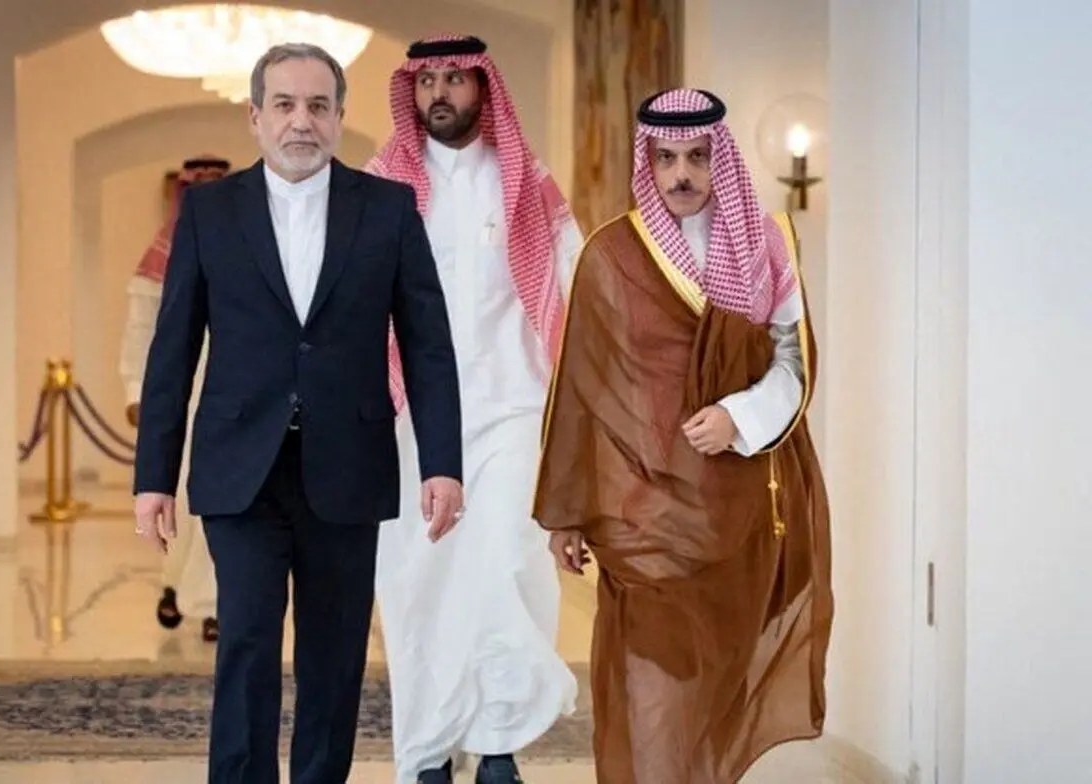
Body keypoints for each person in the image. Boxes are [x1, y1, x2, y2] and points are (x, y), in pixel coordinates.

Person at [131, 43, 465, 784]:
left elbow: (428, 346)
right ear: (255, 117)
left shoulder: (388, 209)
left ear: (341, 117)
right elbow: (173, 349)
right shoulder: (209, 212)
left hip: (348, 468)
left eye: (318, 105)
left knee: (335, 655)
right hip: (239, 470)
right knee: (246, 643)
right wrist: (153, 477)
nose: (301, 121)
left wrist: (443, 464)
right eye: (284, 105)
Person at [532, 88, 834, 783]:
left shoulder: (766, 246)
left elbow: (794, 361)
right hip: (640, 514)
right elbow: (581, 391)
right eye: (666, 159)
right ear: (648, 161)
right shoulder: (611, 255)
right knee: (651, 690)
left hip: (736, 504)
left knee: (714, 690)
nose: (681, 175)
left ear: (719, 158)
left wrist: (739, 417)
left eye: (697, 157)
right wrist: (568, 513)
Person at [365, 34, 581, 784]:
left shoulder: (526, 185)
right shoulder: (380, 187)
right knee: (417, 579)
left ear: (484, 88)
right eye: (427, 80)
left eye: (455, 78)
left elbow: (577, 291)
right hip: (408, 418)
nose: (440, 93)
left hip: (511, 406)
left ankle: (497, 744)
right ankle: (428, 750)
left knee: (507, 564)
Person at [120, 154, 230, 644]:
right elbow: (140, 330)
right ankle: (173, 584)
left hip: (230, 395)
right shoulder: (160, 257)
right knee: (177, 499)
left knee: (220, 498)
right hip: (175, 399)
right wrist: (134, 391)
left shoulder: (243, 247)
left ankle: (212, 604)